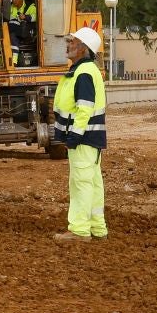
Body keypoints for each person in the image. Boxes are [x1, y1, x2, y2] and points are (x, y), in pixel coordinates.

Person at [52, 27, 108, 241]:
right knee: (92, 183)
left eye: (73, 41)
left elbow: (84, 109)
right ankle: (97, 228)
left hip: (83, 139)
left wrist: (73, 137)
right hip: (90, 139)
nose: (68, 44)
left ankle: (79, 230)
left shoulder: (83, 73)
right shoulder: (85, 71)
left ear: (84, 49)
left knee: (80, 183)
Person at [7, 0, 39, 66]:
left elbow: (37, 17)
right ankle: (14, 61)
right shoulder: (11, 6)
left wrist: (26, 17)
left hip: (27, 33)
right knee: (11, 35)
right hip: (15, 31)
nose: (13, 1)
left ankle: (14, 61)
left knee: (12, 33)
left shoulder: (30, 6)